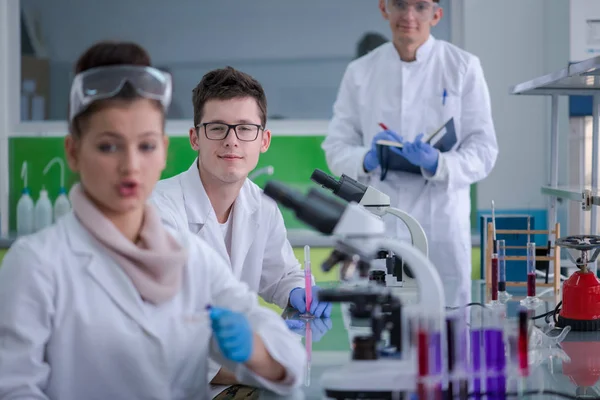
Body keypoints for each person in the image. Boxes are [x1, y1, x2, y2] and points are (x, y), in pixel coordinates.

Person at [0, 41, 305, 399]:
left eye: (145, 146)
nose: (130, 166)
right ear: (73, 152)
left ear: (162, 150)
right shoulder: (36, 265)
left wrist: (254, 352)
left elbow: (290, 361)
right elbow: (15, 390)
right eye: (108, 146)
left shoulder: (192, 258)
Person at [149, 66, 332, 391]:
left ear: (264, 140)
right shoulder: (159, 212)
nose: (232, 141)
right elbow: (165, 334)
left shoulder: (262, 206)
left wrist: (296, 290)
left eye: (245, 128)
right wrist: (264, 366)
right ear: (195, 138)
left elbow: (280, 274)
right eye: (217, 128)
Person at [321, 0, 498, 308]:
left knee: (447, 319)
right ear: (383, 9)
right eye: (400, 4)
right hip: (379, 220)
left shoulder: (462, 67)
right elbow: (336, 148)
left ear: (437, 14)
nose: (409, 16)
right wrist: (367, 158)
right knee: (382, 318)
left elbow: (484, 150)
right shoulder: (360, 72)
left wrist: (439, 162)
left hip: (441, 219)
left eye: (421, 6)